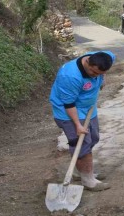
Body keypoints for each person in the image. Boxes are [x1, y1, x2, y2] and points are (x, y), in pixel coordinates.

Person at [49, 51, 115, 191]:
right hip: (69, 113)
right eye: (92, 72)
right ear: (87, 62)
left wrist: (102, 78)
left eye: (98, 73)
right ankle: (88, 180)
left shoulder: (105, 57)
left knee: (93, 139)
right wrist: (78, 125)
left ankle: (83, 170)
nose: (94, 75)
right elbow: (69, 104)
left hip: (89, 109)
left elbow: (104, 66)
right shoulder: (70, 76)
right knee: (82, 145)